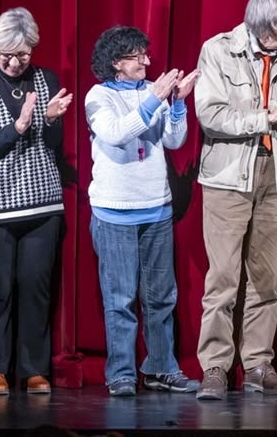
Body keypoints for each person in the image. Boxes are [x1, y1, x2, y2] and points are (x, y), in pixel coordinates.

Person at [193, 0, 277, 400]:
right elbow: (210, 114)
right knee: (223, 279)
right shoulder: (219, 50)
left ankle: (259, 364)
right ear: (265, 26)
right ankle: (215, 367)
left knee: (266, 280)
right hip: (229, 178)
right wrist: (267, 117)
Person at [85, 26, 200, 397]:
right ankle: (121, 373)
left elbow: (174, 140)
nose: (147, 62)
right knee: (119, 299)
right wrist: (155, 98)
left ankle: (161, 368)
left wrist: (178, 103)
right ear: (117, 63)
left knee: (161, 296)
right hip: (114, 210)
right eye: (138, 57)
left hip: (156, 207)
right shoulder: (97, 96)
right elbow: (116, 132)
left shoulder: (154, 91)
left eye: (146, 55)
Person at [0, 8, 73, 395]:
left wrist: (52, 120)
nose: (14, 62)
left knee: (35, 287)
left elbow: (55, 148)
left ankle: (34, 369)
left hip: (42, 204)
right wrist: (21, 125)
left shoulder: (45, 79)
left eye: (23, 55)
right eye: (6, 55)